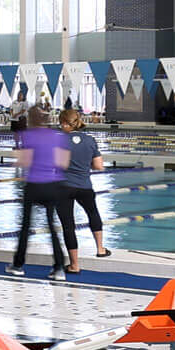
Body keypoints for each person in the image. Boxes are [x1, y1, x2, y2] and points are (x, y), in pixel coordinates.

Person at [12, 106, 76, 277]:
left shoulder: (27, 136)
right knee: (52, 226)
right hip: (54, 185)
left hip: (34, 185)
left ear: (31, 120)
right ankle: (59, 268)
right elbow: (64, 164)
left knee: (25, 226)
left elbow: (24, 162)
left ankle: (18, 266)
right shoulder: (58, 137)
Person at [60, 108, 110, 260]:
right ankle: (100, 249)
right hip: (85, 186)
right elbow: (99, 166)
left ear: (64, 123)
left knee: (68, 225)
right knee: (93, 214)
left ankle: (74, 264)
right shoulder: (90, 140)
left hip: (64, 187)